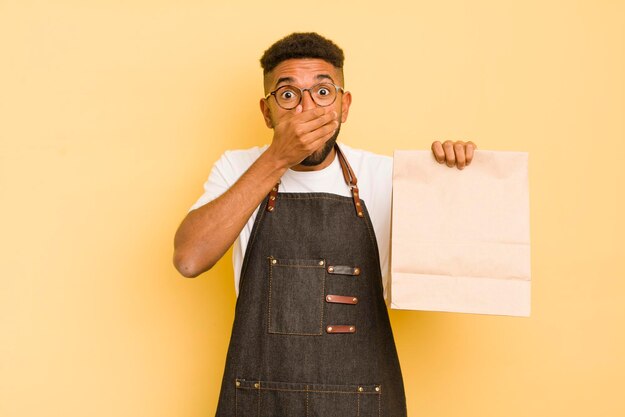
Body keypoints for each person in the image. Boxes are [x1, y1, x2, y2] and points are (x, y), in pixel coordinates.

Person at [174, 32, 476, 416]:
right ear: (266, 112)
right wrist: (276, 159)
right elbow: (189, 259)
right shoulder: (237, 168)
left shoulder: (386, 175)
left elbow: (454, 267)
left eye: (322, 92)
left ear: (344, 105)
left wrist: (458, 176)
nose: (306, 109)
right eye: (287, 95)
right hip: (260, 399)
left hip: (361, 400)